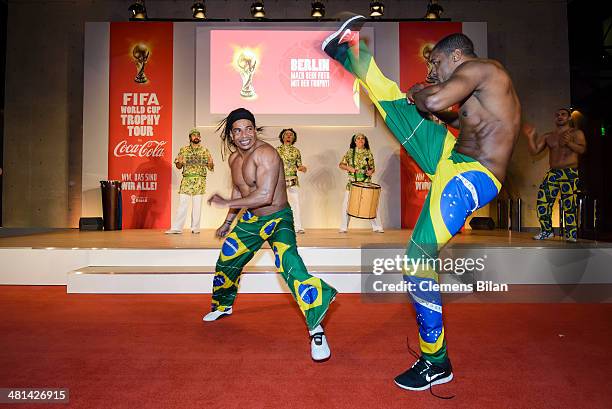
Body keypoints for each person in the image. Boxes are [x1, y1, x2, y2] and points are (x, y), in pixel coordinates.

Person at [323, 16, 521, 390]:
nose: (434, 71)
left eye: (438, 65)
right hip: (452, 159)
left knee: (416, 264)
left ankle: (436, 362)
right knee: (397, 107)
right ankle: (350, 53)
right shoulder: (483, 90)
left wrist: (426, 94)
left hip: (469, 176)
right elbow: (457, 119)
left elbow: (431, 97)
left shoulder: (480, 68)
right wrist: (428, 105)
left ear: (456, 56)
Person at [203, 108, 337, 362]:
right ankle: (223, 305)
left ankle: (316, 329)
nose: (244, 135)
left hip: (277, 219)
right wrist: (229, 220)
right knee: (226, 261)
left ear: (255, 129)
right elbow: (240, 189)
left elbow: (264, 196)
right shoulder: (233, 159)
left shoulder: (266, 154)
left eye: (249, 128)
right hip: (251, 220)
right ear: (231, 135)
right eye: (238, 130)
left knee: (291, 267)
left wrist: (222, 203)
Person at [523, 109, 586, 242]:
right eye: (557, 115)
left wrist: (569, 143)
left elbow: (582, 149)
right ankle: (547, 231)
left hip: (570, 172)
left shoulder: (576, 133)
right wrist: (530, 137)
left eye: (563, 114)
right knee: (542, 203)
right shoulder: (548, 136)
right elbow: (534, 151)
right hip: (553, 173)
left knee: (569, 205)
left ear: (569, 118)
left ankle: (571, 234)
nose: (559, 117)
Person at [165, 129, 213, 234]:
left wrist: (210, 163)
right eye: (194, 135)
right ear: (190, 137)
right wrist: (180, 162)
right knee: (183, 203)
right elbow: (178, 166)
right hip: (187, 179)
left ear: (200, 138)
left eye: (198, 135)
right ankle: (177, 228)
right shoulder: (184, 150)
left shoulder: (205, 150)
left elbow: (210, 167)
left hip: (199, 180)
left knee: (197, 205)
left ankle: (195, 228)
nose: (196, 137)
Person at [338, 133, 384, 233]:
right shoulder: (350, 152)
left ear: (365, 141)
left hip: (366, 183)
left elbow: (372, 168)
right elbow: (341, 164)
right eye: (358, 138)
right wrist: (348, 167)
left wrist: (371, 171)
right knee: (346, 205)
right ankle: (344, 227)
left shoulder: (368, 153)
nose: (360, 140)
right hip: (352, 184)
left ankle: (377, 226)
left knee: (372, 204)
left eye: (362, 138)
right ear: (354, 141)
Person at [276, 128, 307, 234]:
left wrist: (302, 168)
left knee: (295, 204)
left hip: (292, 180)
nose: (289, 136)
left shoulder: (296, 151)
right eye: (287, 134)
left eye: (291, 135)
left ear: (294, 138)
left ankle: (298, 227)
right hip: (279, 180)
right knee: (278, 205)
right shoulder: (277, 150)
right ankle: (278, 227)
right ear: (282, 137)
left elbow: (299, 165)